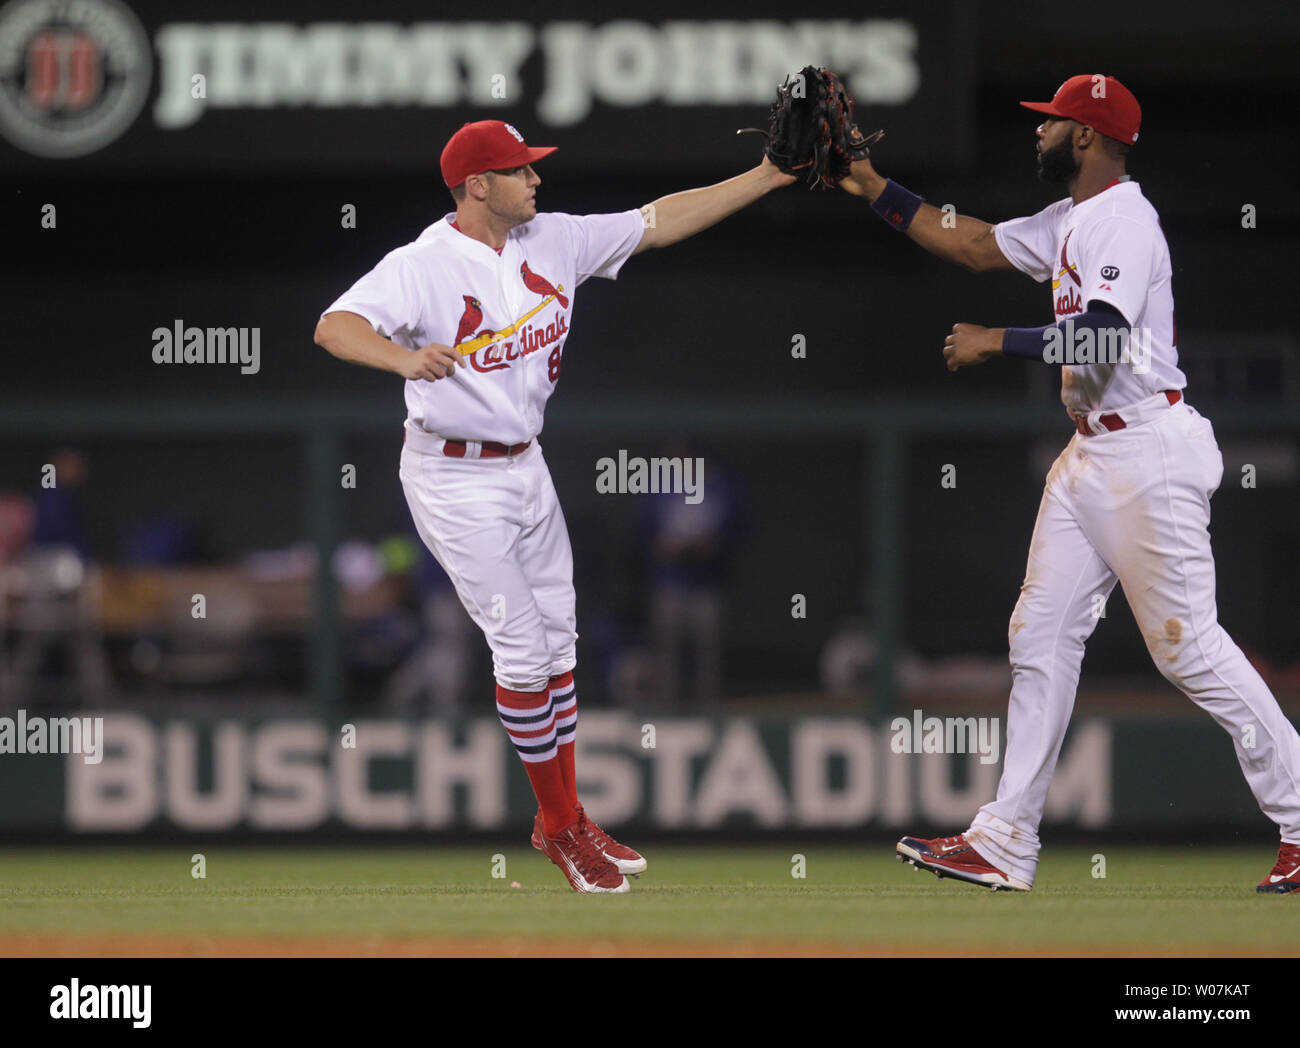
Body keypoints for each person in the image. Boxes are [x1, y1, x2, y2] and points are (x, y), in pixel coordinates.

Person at [838, 75, 1300, 894]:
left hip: (1147, 450)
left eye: (1051, 122)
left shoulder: (1123, 218)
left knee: (1188, 647)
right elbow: (974, 243)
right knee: (1040, 634)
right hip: (1090, 456)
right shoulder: (1069, 221)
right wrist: (877, 190)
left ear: (1085, 136)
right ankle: (1005, 839)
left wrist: (994, 340)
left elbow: (1105, 338)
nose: (1038, 133)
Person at [315, 120, 795, 892]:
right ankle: (562, 827)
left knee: (561, 647)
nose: (536, 181)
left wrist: (767, 176)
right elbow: (334, 326)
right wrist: (402, 356)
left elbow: (657, 221)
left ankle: (562, 816)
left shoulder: (555, 239)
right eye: (519, 170)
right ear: (477, 186)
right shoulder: (422, 265)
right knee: (524, 650)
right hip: (452, 473)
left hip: (526, 465)